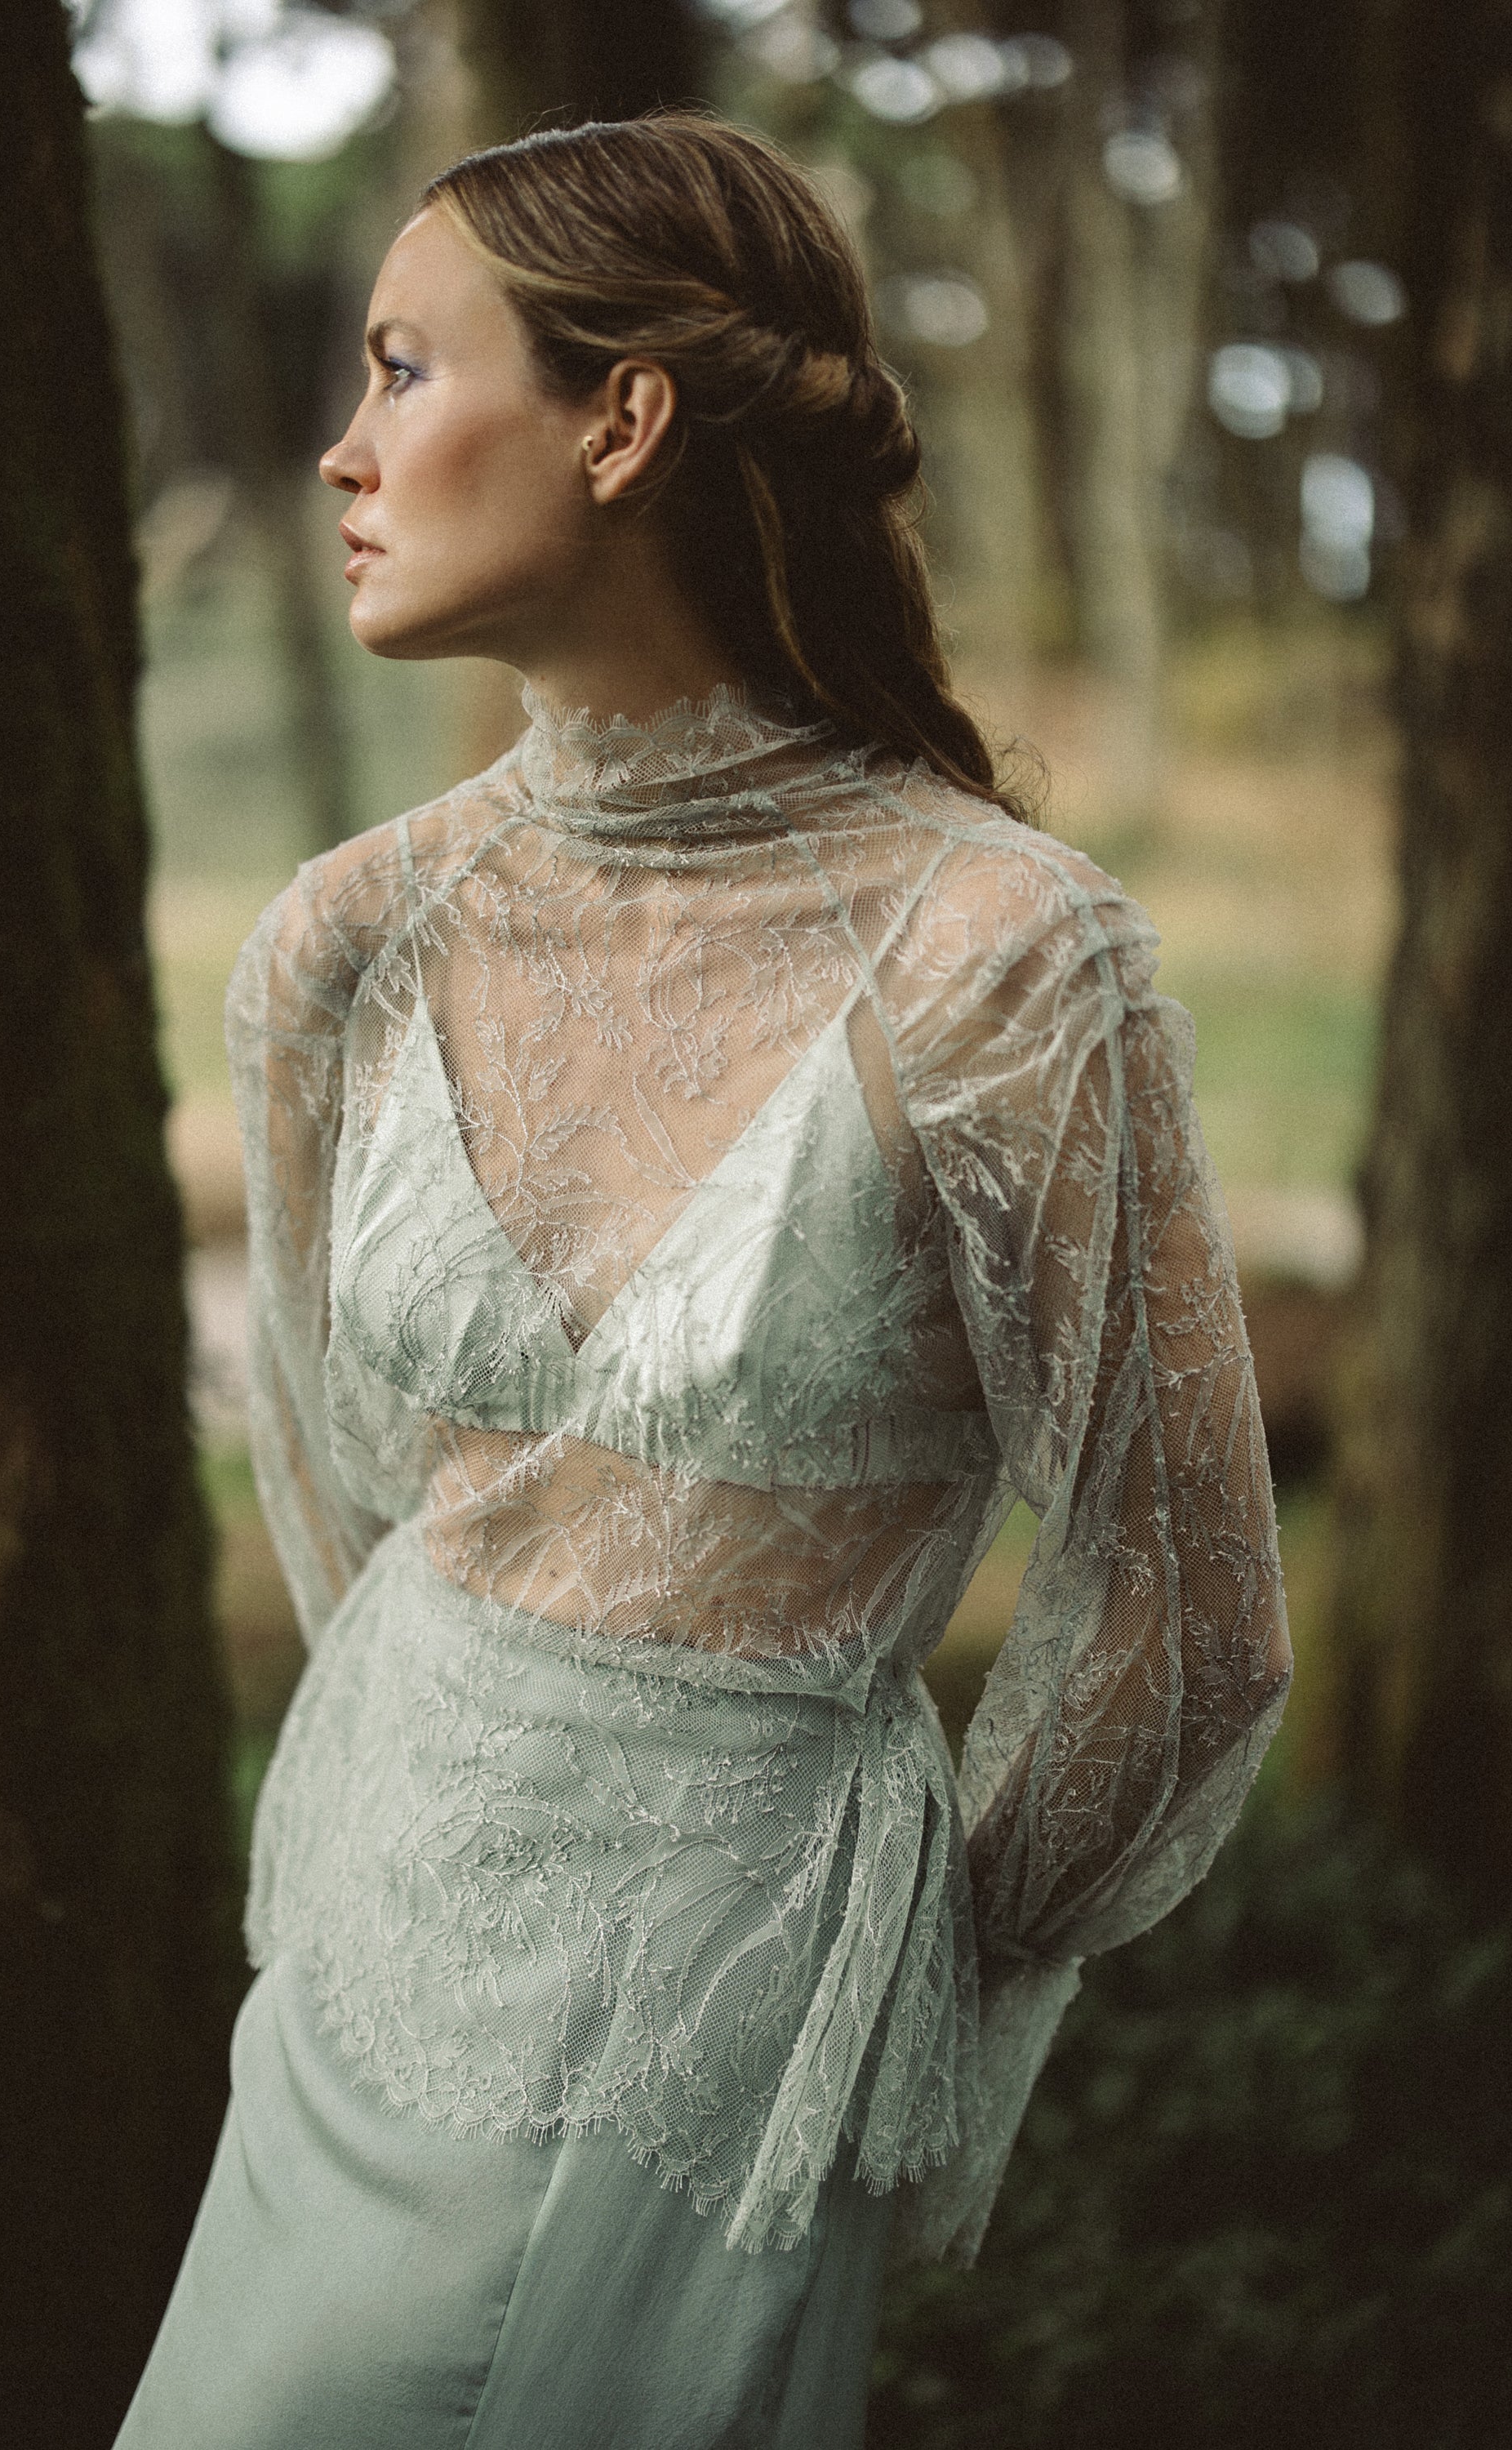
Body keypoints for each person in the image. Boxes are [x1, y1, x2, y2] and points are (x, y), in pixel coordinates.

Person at [115, 114, 1291, 2450]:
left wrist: (893, 1961)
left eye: (399, 366)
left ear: (622, 418)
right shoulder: (348, 940)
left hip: (729, 2014)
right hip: (361, 1950)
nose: (342, 450)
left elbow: (1184, 1600)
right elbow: (351, 1510)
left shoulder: (1004, 959)